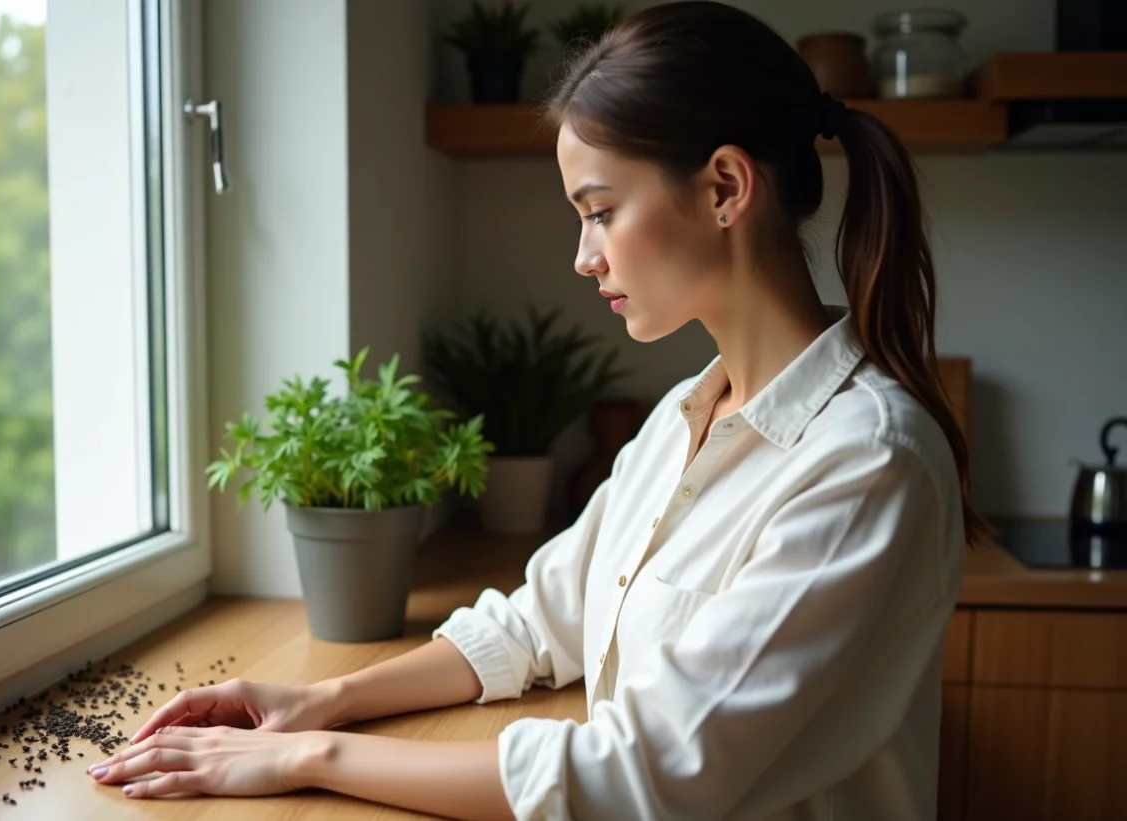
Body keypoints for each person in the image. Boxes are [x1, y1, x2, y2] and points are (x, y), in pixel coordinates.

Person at [86, 2, 987, 818]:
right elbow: (536, 622)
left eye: (600, 211)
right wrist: (324, 698)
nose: (584, 256)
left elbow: (640, 775)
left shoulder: (868, 462)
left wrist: (309, 757)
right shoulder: (685, 413)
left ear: (723, 188)